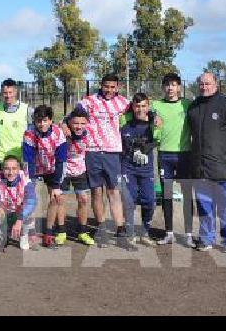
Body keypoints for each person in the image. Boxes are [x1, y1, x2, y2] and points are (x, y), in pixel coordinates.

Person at [63, 74, 158, 249]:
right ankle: (101, 229)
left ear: (117, 87)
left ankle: (120, 231)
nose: (109, 90)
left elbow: (140, 108)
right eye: (106, 86)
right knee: (97, 193)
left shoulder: (123, 102)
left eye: (113, 87)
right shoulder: (88, 101)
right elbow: (72, 116)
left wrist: (153, 116)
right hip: (91, 152)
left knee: (113, 193)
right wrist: (63, 124)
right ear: (101, 85)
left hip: (113, 153)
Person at [187, 71, 226, 253]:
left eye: (208, 84)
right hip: (201, 168)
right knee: (204, 206)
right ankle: (206, 238)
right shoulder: (193, 107)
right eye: (201, 84)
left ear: (216, 84)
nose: (204, 87)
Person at [152, 73, 195, 247]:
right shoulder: (156, 105)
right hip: (164, 156)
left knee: (186, 195)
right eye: (167, 85)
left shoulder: (188, 105)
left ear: (179, 87)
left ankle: (189, 234)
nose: (170, 88)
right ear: (163, 87)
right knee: (167, 195)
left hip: (185, 155)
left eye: (174, 85)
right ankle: (168, 232)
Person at [22, 105, 67, 249]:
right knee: (31, 199)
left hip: (53, 167)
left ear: (51, 120)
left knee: (55, 198)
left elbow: (61, 160)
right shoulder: (29, 134)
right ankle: (31, 233)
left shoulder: (58, 133)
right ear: (34, 121)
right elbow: (28, 160)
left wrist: (56, 186)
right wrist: (29, 181)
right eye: (38, 121)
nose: (42, 124)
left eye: (45, 120)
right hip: (35, 167)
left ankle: (49, 233)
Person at [119, 93, 159, 250]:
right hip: (128, 167)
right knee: (129, 200)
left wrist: (145, 148)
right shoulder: (125, 124)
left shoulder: (154, 124)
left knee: (149, 201)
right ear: (132, 107)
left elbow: (159, 139)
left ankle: (145, 232)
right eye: (137, 106)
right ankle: (130, 234)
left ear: (148, 107)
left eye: (143, 106)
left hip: (146, 169)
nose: (140, 109)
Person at [0, 79, 33, 174]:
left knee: (19, 187)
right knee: (0, 187)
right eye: (5, 93)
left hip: (20, 157)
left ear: (15, 92)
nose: (8, 95)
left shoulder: (26, 109)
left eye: (10, 92)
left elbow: (34, 132)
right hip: (1, 157)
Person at [64, 109, 96, 246]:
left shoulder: (89, 133)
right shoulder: (63, 133)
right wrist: (63, 124)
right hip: (64, 170)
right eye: (75, 123)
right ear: (70, 123)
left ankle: (82, 232)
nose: (79, 126)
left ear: (87, 123)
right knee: (59, 200)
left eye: (82, 123)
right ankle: (61, 231)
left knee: (83, 199)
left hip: (80, 170)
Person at [0, 155, 38, 250]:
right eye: (7, 169)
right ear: (2, 169)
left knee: (30, 212)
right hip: (4, 214)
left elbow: (31, 202)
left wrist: (20, 220)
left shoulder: (25, 180)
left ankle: (24, 235)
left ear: (19, 169)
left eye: (14, 168)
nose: (10, 172)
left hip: (18, 214)